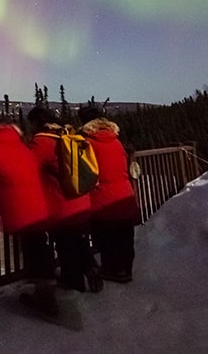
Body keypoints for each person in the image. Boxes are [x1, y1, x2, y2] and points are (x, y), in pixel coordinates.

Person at [0, 114, 58, 314]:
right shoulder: (21, 145)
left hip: (20, 209)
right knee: (38, 248)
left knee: (33, 252)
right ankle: (46, 293)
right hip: (38, 206)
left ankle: (45, 300)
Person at [25, 106, 100, 299]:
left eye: (30, 123)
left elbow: (26, 168)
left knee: (65, 244)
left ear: (36, 123)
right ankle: (91, 268)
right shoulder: (66, 135)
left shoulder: (41, 142)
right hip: (80, 198)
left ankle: (73, 282)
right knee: (78, 239)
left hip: (62, 203)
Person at [78, 104, 141, 283]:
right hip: (124, 195)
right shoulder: (115, 139)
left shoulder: (86, 142)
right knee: (124, 237)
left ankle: (112, 269)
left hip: (102, 197)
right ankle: (126, 270)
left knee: (106, 237)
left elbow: (83, 172)